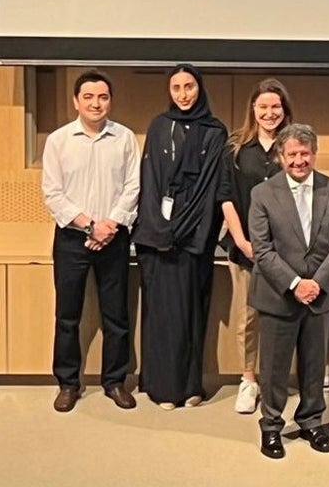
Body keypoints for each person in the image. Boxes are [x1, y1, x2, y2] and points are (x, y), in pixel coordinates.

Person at [247, 124, 329, 459]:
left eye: (305, 154)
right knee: (274, 368)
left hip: (320, 295)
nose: (299, 160)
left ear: (314, 154)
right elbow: (262, 251)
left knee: (314, 364)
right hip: (279, 295)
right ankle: (272, 426)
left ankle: (311, 422)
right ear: (281, 156)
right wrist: (295, 284)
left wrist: (316, 283)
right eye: (292, 154)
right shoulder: (261, 194)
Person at [41, 69, 140, 412]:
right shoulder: (58, 140)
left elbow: (133, 187)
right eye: (89, 97)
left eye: (102, 97)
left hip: (113, 237)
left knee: (116, 316)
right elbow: (52, 194)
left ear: (110, 101)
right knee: (67, 315)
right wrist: (90, 226)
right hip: (72, 239)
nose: (96, 103)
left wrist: (109, 225)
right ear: (76, 102)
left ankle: (115, 382)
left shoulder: (125, 138)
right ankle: (68, 383)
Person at [132, 64, 228, 409]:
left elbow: (209, 188)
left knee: (190, 313)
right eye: (176, 88)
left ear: (199, 89)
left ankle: (190, 386)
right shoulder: (159, 126)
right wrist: (161, 229)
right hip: (159, 238)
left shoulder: (215, 131)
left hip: (193, 240)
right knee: (161, 313)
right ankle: (161, 387)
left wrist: (184, 229)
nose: (183, 94)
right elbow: (151, 181)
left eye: (189, 86)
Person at [220, 78, 294, 413]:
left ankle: (274, 379)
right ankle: (248, 380)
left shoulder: (294, 146)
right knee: (247, 318)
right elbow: (226, 198)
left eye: (275, 107)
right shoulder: (236, 148)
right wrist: (240, 240)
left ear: (285, 110)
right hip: (246, 249)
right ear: (253, 109)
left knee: (281, 316)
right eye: (263, 106)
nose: (269, 113)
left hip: (285, 252)